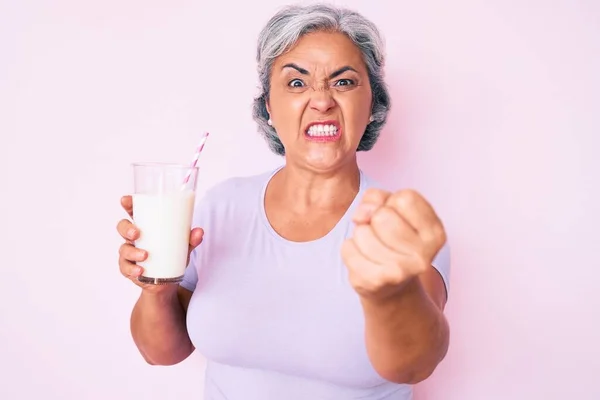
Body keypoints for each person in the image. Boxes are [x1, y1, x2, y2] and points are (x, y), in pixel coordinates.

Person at [117, 3, 451, 399]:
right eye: (296, 83)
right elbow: (161, 353)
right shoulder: (220, 207)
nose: (322, 100)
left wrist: (389, 293)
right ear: (270, 108)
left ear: (371, 105)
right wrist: (157, 288)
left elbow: (414, 365)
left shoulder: (399, 224)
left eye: (344, 82)